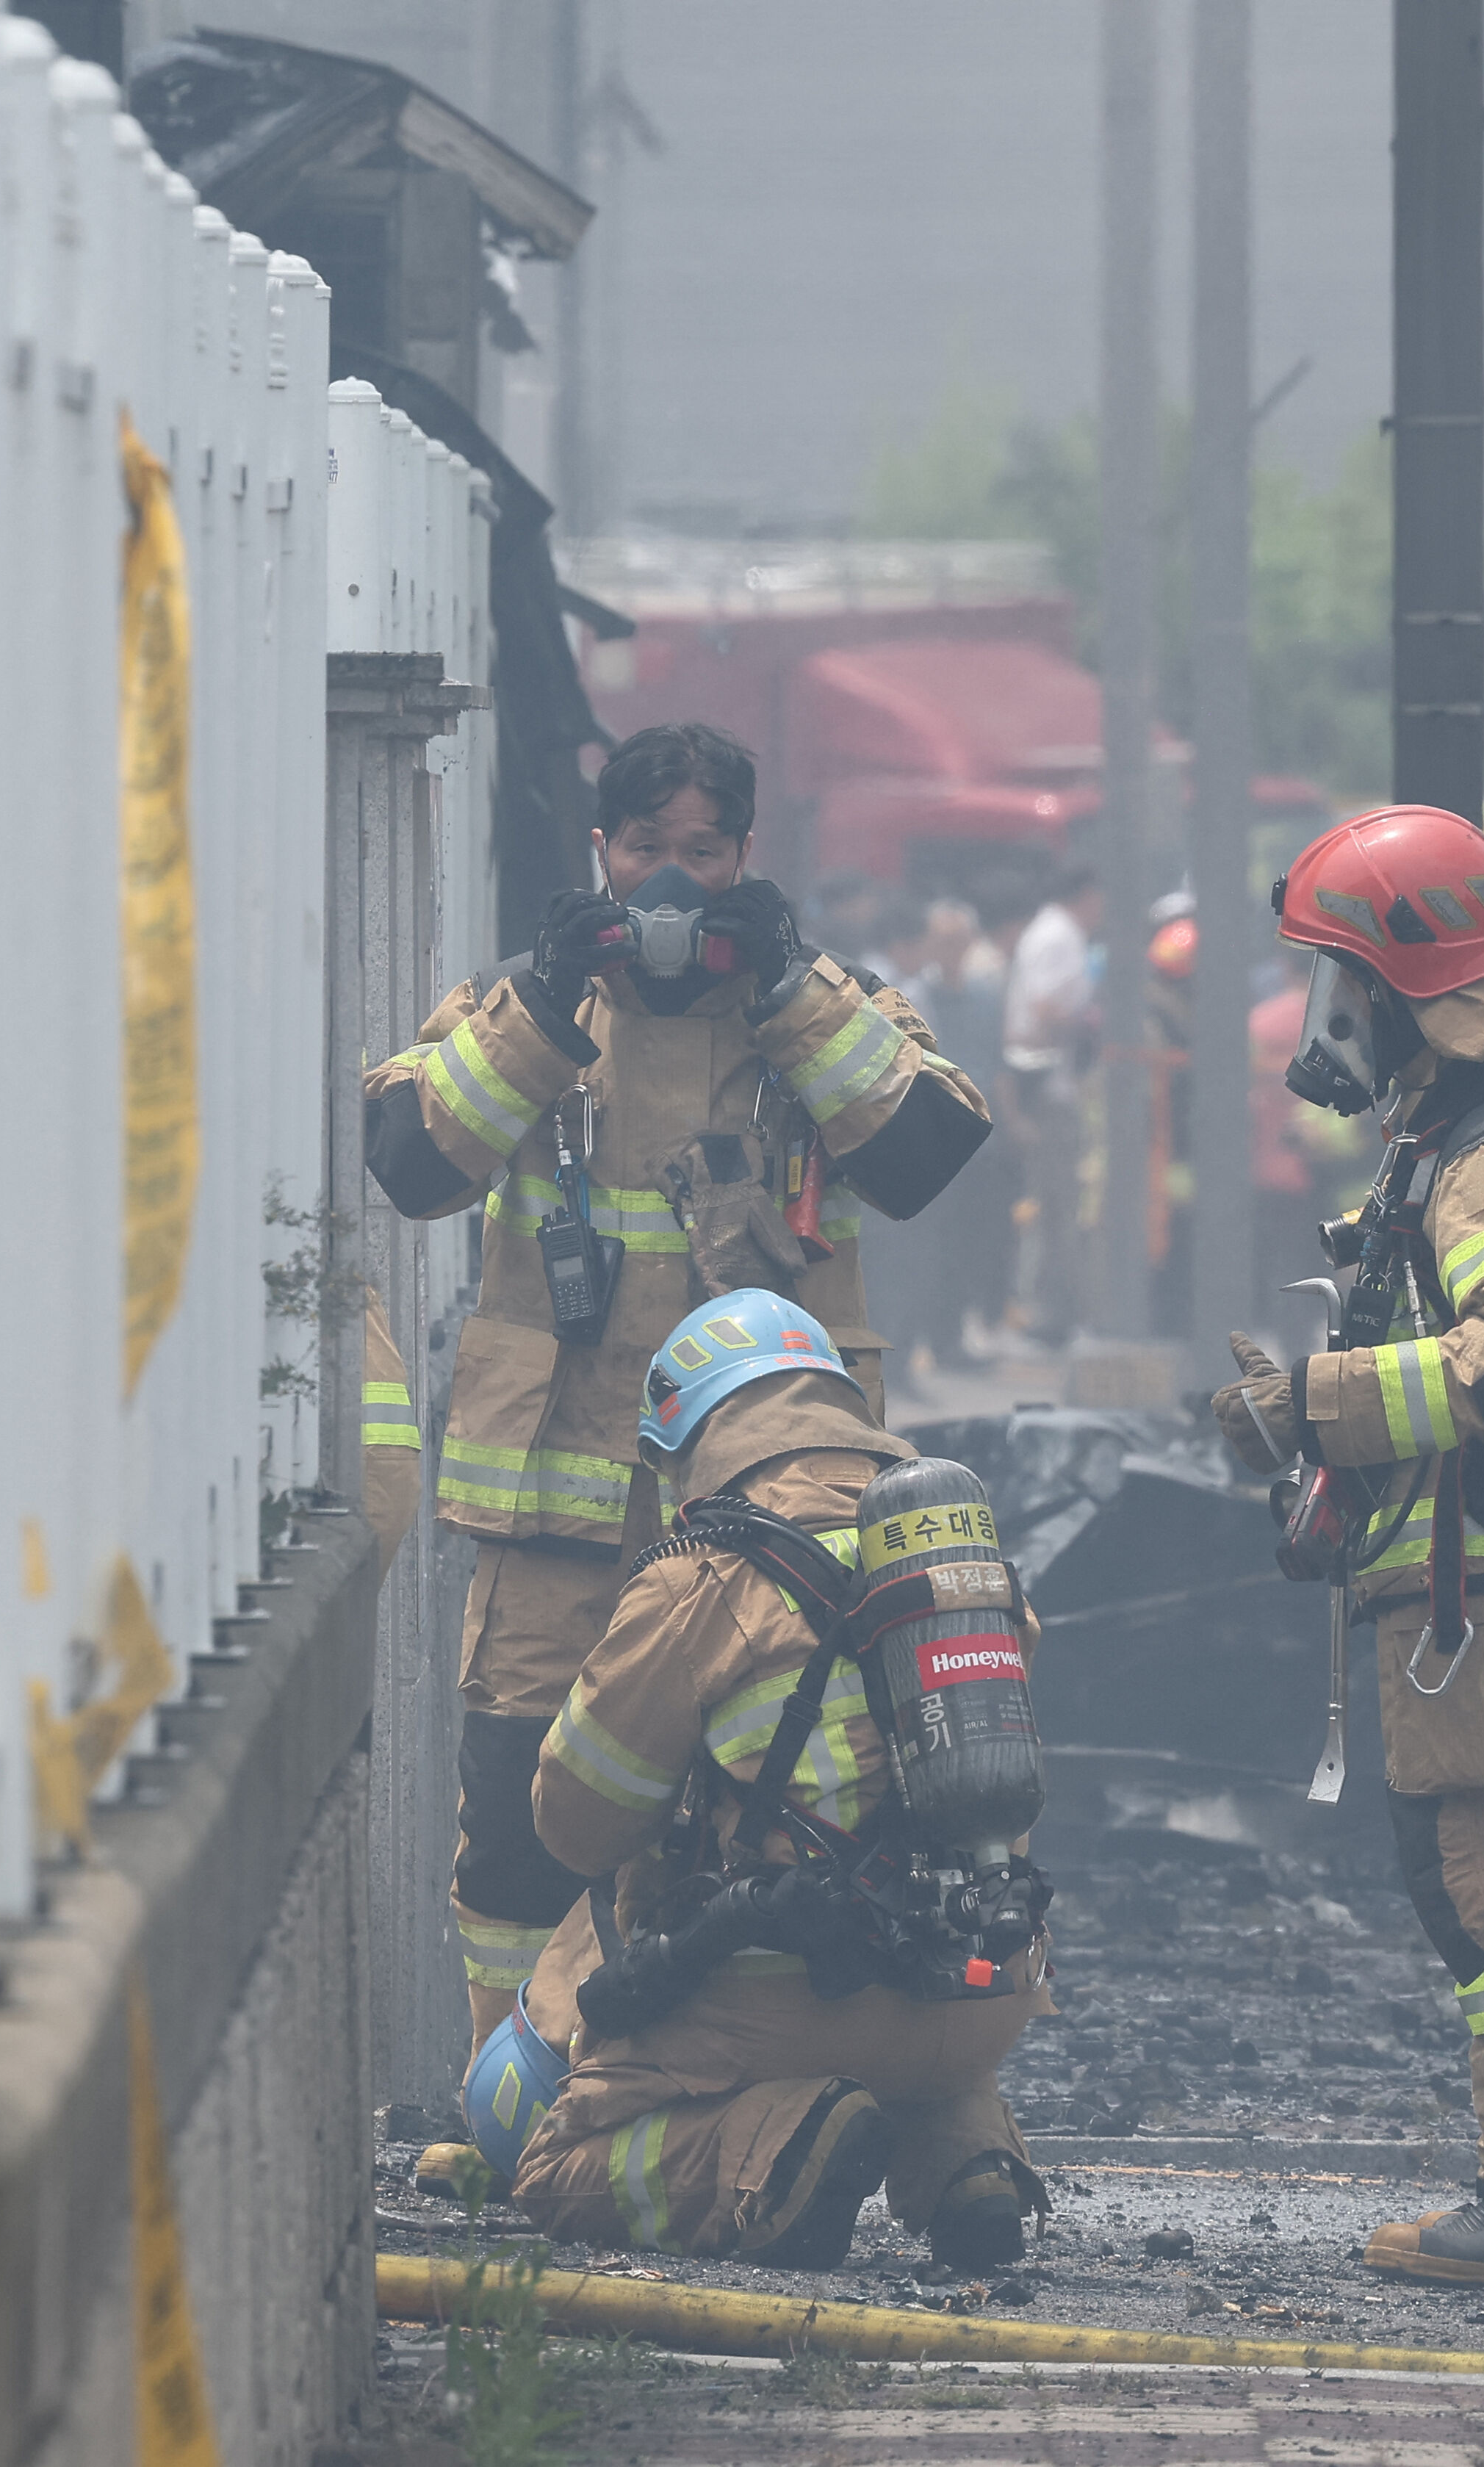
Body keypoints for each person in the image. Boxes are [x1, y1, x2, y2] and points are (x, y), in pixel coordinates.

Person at [358, 721, 995, 2056]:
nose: (669, 881)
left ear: (745, 858)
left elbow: (926, 1152)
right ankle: (508, 2109)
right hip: (557, 1520)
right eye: (644, 849)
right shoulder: (525, 1011)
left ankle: (726, 2082)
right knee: (524, 1820)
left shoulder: (822, 1009)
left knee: (783, 1807)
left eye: (701, 853)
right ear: (602, 849)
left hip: (774, 1526)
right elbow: (415, 1162)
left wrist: (786, 984)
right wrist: (543, 1002)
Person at [1208, 804, 1484, 2291]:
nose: (1318, 1021)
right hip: (1472, 1561)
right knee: (1460, 1858)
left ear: (1398, 986)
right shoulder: (1467, 1124)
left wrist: (1306, 1407)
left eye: (1335, 982)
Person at [503, 1288, 1049, 2265]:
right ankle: (969, 2157)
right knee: (911, 2021)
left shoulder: (698, 1577)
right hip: (982, 1986)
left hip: (791, 2000)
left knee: (555, 2167)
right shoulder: (956, 1561)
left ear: (688, 1441)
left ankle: (781, 2151)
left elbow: (573, 1825)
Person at [1002, 863, 1106, 1346]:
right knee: (1062, 1205)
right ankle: (1057, 1312)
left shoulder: (1054, 934)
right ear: (1085, 895)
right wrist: (1089, 1028)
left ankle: (1054, 1310)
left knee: (1058, 1205)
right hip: (1051, 1090)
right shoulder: (1058, 937)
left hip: (1056, 1088)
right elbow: (1045, 1010)